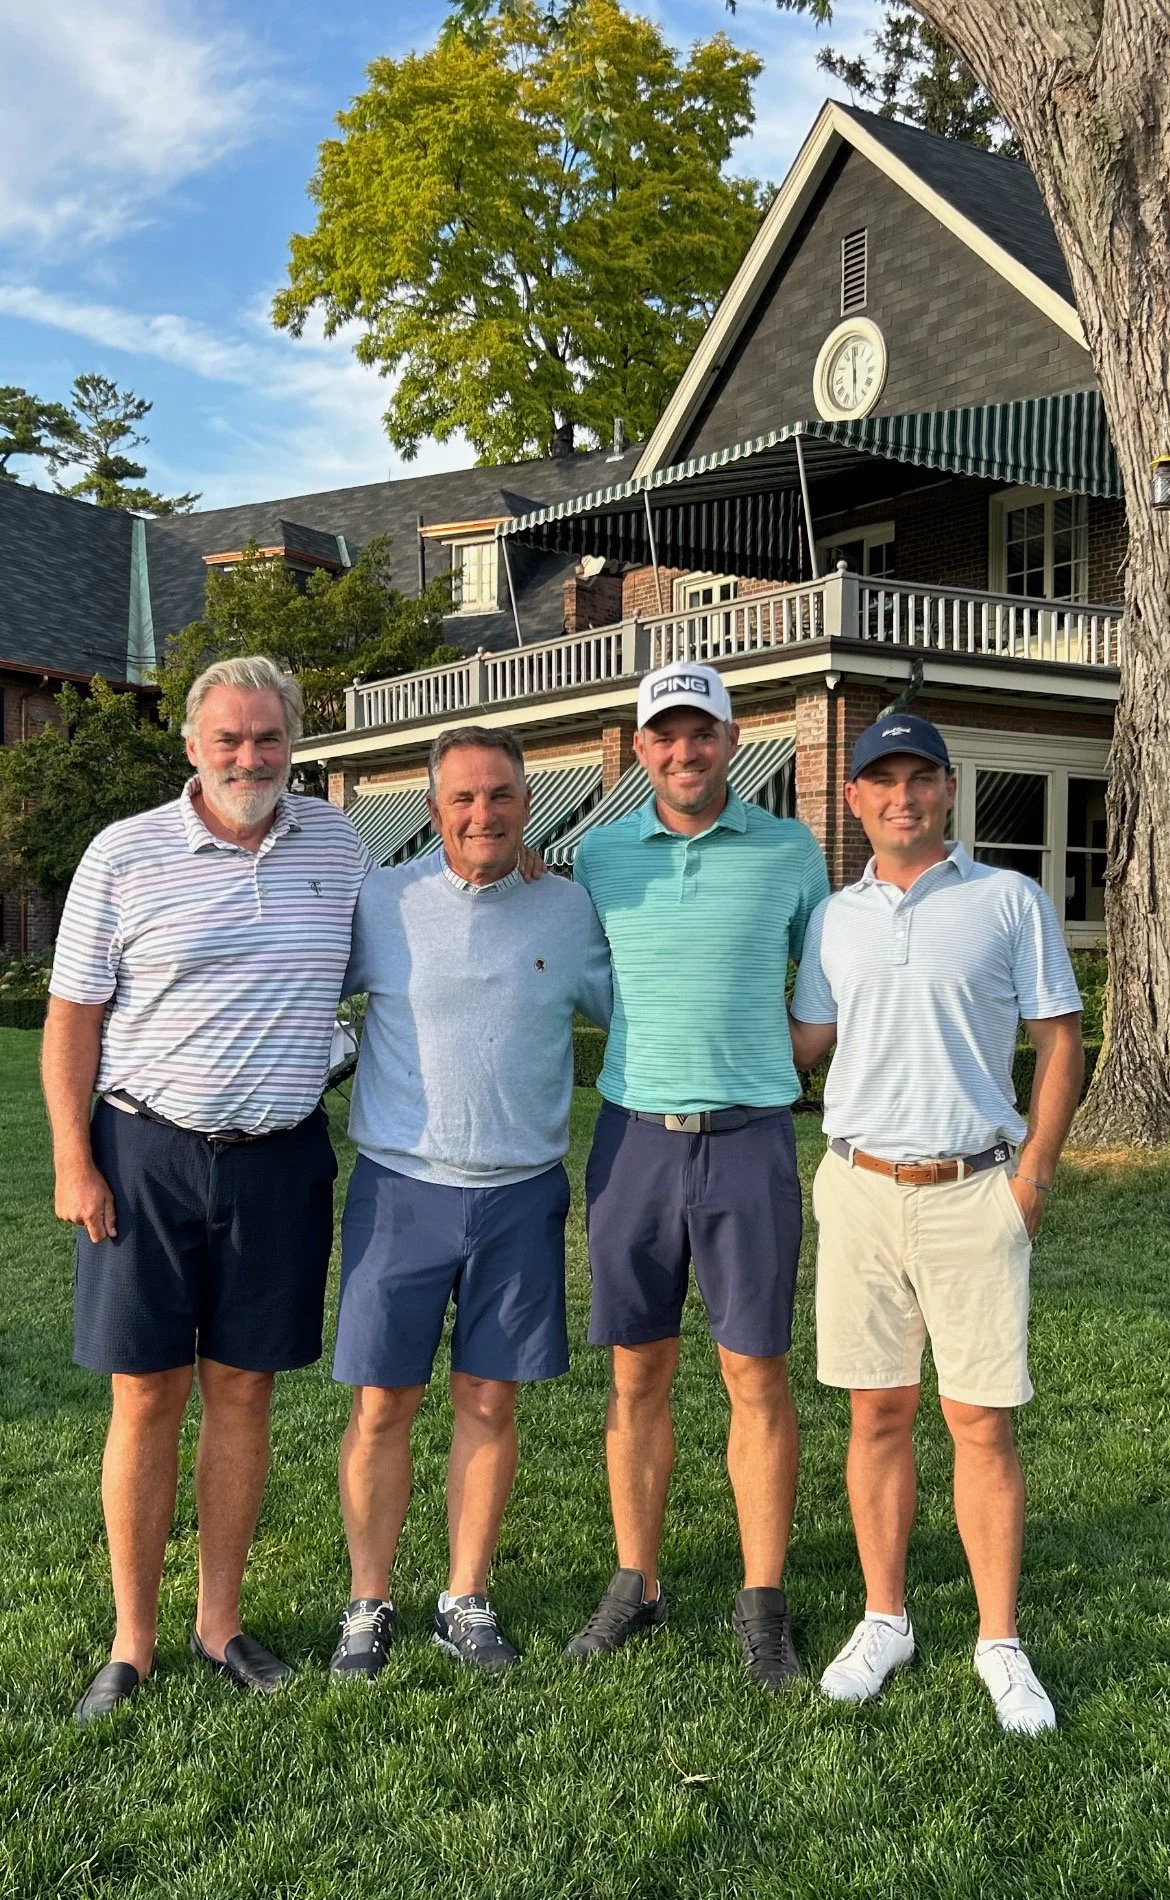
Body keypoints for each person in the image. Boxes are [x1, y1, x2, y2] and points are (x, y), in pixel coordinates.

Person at [44, 656, 371, 1725]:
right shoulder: (123, 853)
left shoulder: (338, 842)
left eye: (267, 737)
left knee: (244, 1391)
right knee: (146, 1395)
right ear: (191, 745)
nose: (249, 757)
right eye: (228, 738)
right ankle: (131, 1638)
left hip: (278, 1159)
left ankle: (218, 1621)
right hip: (144, 1153)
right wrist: (72, 1158)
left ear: (293, 742)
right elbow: (73, 1020)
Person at [789, 712, 1084, 1734]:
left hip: (975, 1190)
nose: (902, 796)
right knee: (876, 1414)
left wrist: (1034, 1177)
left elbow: (1059, 1038)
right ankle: (886, 1616)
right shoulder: (835, 917)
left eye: (921, 779)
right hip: (860, 1187)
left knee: (980, 1420)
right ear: (857, 798)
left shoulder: (1010, 900)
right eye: (883, 781)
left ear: (947, 791)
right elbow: (808, 1043)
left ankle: (999, 1640)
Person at [564, 661, 830, 1689]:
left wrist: (775, 1064)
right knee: (638, 1373)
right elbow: (572, 967)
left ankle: (762, 1600)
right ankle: (639, 1580)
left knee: (754, 1374)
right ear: (641, 749)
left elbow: (828, 974)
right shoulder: (600, 856)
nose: (684, 751)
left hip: (749, 1142)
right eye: (664, 735)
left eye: (701, 732)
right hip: (634, 1141)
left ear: (732, 738)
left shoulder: (790, 849)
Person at [328, 725, 611, 1678]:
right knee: (381, 1405)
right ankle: (368, 1602)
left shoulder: (569, 908)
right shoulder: (383, 902)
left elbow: (634, 1005)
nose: (483, 814)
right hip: (402, 1189)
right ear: (434, 806)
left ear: (527, 803)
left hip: (521, 1193)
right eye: (463, 799)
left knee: (489, 1401)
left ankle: (465, 1596)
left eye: (500, 796)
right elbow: (299, 984)